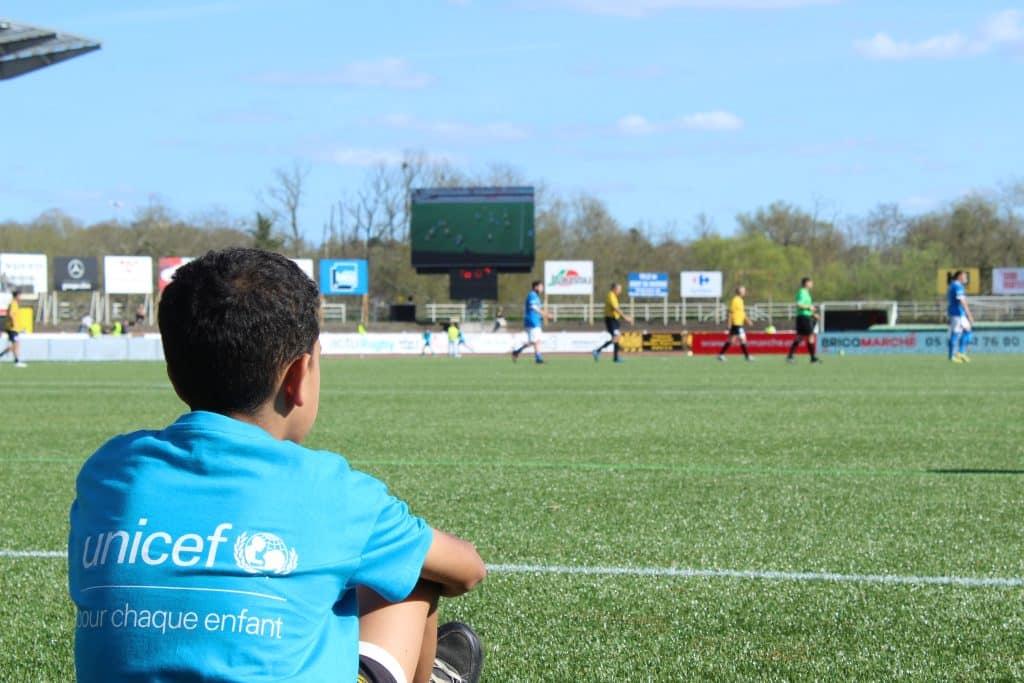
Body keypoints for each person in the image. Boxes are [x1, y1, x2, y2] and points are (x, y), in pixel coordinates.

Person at [68, 248, 487, 683]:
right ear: (299, 375)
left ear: (173, 374)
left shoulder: (108, 471)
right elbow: (467, 568)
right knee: (410, 573)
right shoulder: (330, 490)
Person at [592, 283, 633, 363]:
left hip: (614, 320)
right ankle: (597, 351)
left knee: (616, 337)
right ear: (614, 289)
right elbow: (616, 308)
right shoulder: (611, 295)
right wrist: (625, 317)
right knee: (616, 337)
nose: (620, 291)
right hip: (611, 320)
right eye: (619, 289)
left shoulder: (613, 296)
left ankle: (615, 358)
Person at [512, 280, 551, 364]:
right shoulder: (532, 295)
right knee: (536, 341)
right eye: (541, 287)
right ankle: (538, 359)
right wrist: (545, 314)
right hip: (532, 321)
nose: (542, 289)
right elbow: (533, 308)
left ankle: (517, 351)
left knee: (535, 341)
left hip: (535, 321)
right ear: (536, 287)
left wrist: (542, 315)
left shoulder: (536, 297)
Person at [786, 277, 822, 364]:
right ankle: (813, 358)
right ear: (806, 283)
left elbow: (806, 306)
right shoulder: (802, 292)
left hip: (804, 317)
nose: (812, 284)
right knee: (810, 336)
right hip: (803, 318)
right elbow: (799, 304)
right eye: (811, 282)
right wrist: (810, 307)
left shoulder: (806, 293)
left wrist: (814, 314)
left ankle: (790, 356)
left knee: (800, 337)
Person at [718, 285, 754, 362]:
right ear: (739, 292)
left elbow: (742, 313)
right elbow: (730, 312)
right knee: (742, 339)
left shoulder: (741, 300)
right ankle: (747, 357)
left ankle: (721, 355)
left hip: (739, 323)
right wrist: (729, 323)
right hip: (736, 323)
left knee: (732, 340)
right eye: (743, 290)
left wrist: (747, 320)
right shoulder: (735, 300)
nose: (745, 292)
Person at [947, 270, 975, 363]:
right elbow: (961, 301)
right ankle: (951, 356)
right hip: (957, 314)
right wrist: (969, 314)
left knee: (968, 331)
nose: (966, 278)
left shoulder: (955, 285)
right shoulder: (957, 286)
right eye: (965, 276)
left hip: (960, 314)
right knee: (955, 334)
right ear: (959, 276)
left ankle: (960, 353)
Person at [0, 289, 27, 367]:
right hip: (12, 328)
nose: (21, 297)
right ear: (17, 296)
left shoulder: (15, 303)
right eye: (20, 295)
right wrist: (13, 323)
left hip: (15, 328)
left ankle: (3, 356)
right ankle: (17, 361)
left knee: (15, 345)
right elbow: (11, 314)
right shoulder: (13, 304)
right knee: (16, 344)